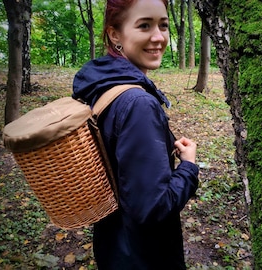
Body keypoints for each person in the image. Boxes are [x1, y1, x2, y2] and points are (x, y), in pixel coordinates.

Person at [72, 0, 199, 269]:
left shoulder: (104, 85)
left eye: (163, 25)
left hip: (114, 245)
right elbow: (153, 209)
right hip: (144, 257)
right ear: (114, 34)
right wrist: (188, 166)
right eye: (144, 25)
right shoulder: (137, 104)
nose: (158, 37)